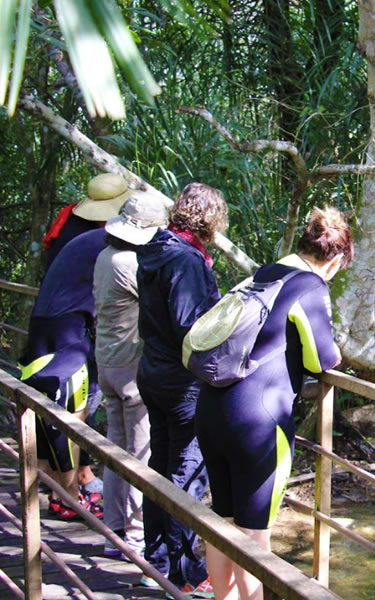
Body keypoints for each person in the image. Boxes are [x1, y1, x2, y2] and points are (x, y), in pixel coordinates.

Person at [196, 205, 353, 600]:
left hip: (214, 408)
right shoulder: (311, 285)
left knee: (223, 521)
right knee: (254, 534)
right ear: (334, 261)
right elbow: (322, 360)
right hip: (259, 422)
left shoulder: (263, 274)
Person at [136, 183, 228, 597]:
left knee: (161, 466)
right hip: (180, 382)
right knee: (185, 475)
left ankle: (155, 560)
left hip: (154, 373)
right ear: (210, 220)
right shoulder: (186, 259)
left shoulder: (157, 248)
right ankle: (186, 575)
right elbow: (190, 326)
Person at [38, 172, 133, 502]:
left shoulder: (67, 223)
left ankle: (61, 477)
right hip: (72, 328)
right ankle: (67, 495)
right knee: (75, 408)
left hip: (47, 320)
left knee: (50, 402)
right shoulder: (106, 238)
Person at [93, 191, 169, 558]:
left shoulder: (106, 256)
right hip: (129, 370)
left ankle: (113, 531)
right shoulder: (130, 264)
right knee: (140, 452)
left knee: (115, 450)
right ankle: (137, 535)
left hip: (107, 362)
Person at [18, 226, 109, 519]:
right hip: (67, 332)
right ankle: (68, 497)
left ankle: (54, 490)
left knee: (48, 411)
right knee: (70, 416)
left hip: (45, 326)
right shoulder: (109, 246)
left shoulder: (81, 239)